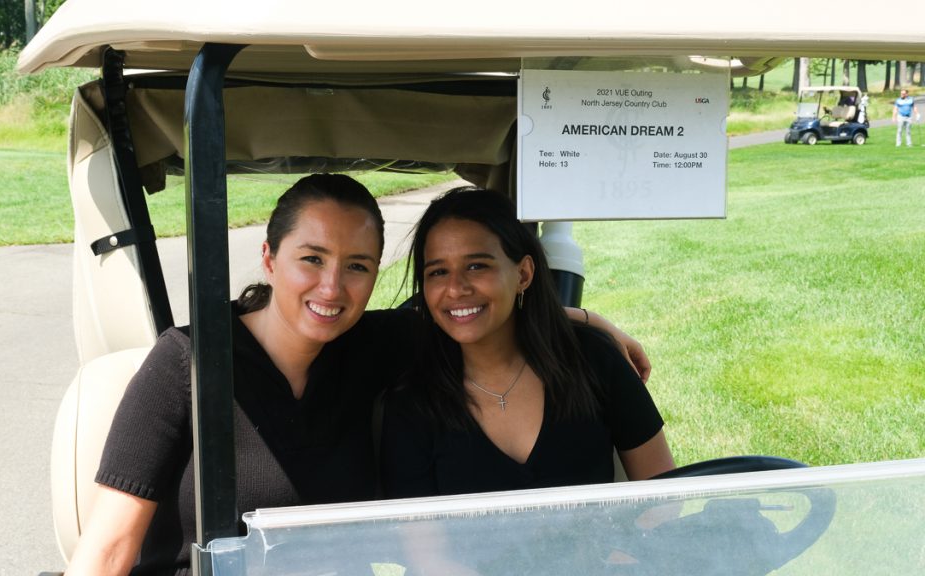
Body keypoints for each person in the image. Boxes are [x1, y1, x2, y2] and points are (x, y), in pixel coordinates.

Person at [66, 174, 652, 576]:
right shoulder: (186, 363)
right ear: (269, 258)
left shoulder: (372, 347)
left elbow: (471, 309)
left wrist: (589, 323)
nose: (331, 288)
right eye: (311, 259)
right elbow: (108, 550)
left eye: (357, 267)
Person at [381, 187, 674, 500]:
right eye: (438, 272)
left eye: (477, 266)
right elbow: (420, 532)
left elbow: (666, 498)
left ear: (523, 274)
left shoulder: (594, 359)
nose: (455, 289)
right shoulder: (412, 405)